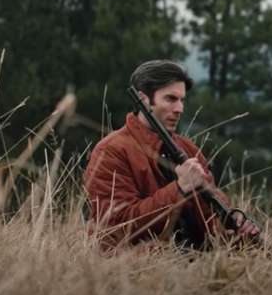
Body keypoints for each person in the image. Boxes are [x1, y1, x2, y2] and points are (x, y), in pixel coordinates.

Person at [83, 59, 262, 254]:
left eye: (181, 100)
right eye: (170, 99)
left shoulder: (188, 149)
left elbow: (210, 218)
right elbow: (118, 226)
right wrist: (179, 189)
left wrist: (232, 228)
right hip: (138, 270)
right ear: (143, 100)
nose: (179, 109)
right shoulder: (111, 151)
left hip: (195, 262)